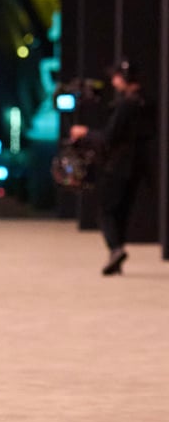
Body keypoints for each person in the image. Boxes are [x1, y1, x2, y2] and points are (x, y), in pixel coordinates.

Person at [70, 59, 156, 275]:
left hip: (119, 165)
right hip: (139, 165)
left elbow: (109, 136)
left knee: (105, 210)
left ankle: (115, 249)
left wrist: (85, 133)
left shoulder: (126, 105)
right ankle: (117, 251)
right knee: (122, 210)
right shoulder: (146, 102)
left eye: (116, 77)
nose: (113, 82)